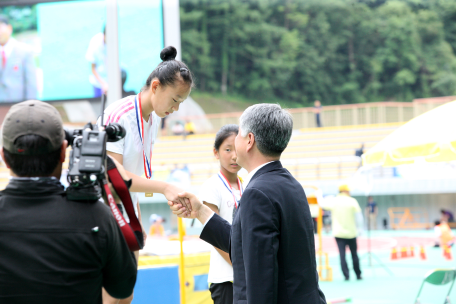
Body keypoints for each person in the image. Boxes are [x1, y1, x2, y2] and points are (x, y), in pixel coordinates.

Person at [170, 104, 327, 304]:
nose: (235, 140)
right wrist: (201, 211)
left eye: (239, 134)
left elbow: (261, 277)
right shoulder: (291, 184)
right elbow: (245, 246)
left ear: (249, 141)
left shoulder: (256, 193)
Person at [0, 100, 137, 303]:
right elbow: (122, 288)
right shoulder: (97, 216)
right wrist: (114, 205)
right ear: (64, 152)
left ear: (4, 156)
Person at [100, 45, 193, 304]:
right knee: (109, 296)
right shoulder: (119, 115)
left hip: (128, 211)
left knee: (126, 295)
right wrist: (164, 187)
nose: (175, 109)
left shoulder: (152, 117)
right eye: (174, 100)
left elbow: (135, 172)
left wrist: (136, 216)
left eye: (180, 103)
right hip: (106, 213)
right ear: (155, 87)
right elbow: (113, 176)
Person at [199, 124, 243, 304]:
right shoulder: (211, 186)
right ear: (216, 153)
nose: (234, 156)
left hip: (246, 275)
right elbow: (215, 234)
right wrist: (241, 265)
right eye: (227, 149)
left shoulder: (247, 184)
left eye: (237, 149)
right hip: (225, 278)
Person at [322, 184, 363, 281]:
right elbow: (359, 216)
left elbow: (323, 205)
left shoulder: (334, 201)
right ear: (345, 191)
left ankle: (346, 275)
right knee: (354, 254)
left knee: (342, 255)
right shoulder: (352, 201)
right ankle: (358, 274)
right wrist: (360, 228)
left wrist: (320, 195)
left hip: (338, 233)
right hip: (351, 233)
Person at [0, 15, 37, 102]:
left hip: (19, 107)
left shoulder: (25, 51)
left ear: (9, 28)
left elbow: (31, 84)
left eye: (1, 28)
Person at [86, 27, 108, 97]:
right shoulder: (95, 43)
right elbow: (93, 69)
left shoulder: (113, 41)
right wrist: (103, 84)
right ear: (104, 35)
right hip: (98, 83)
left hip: (110, 82)